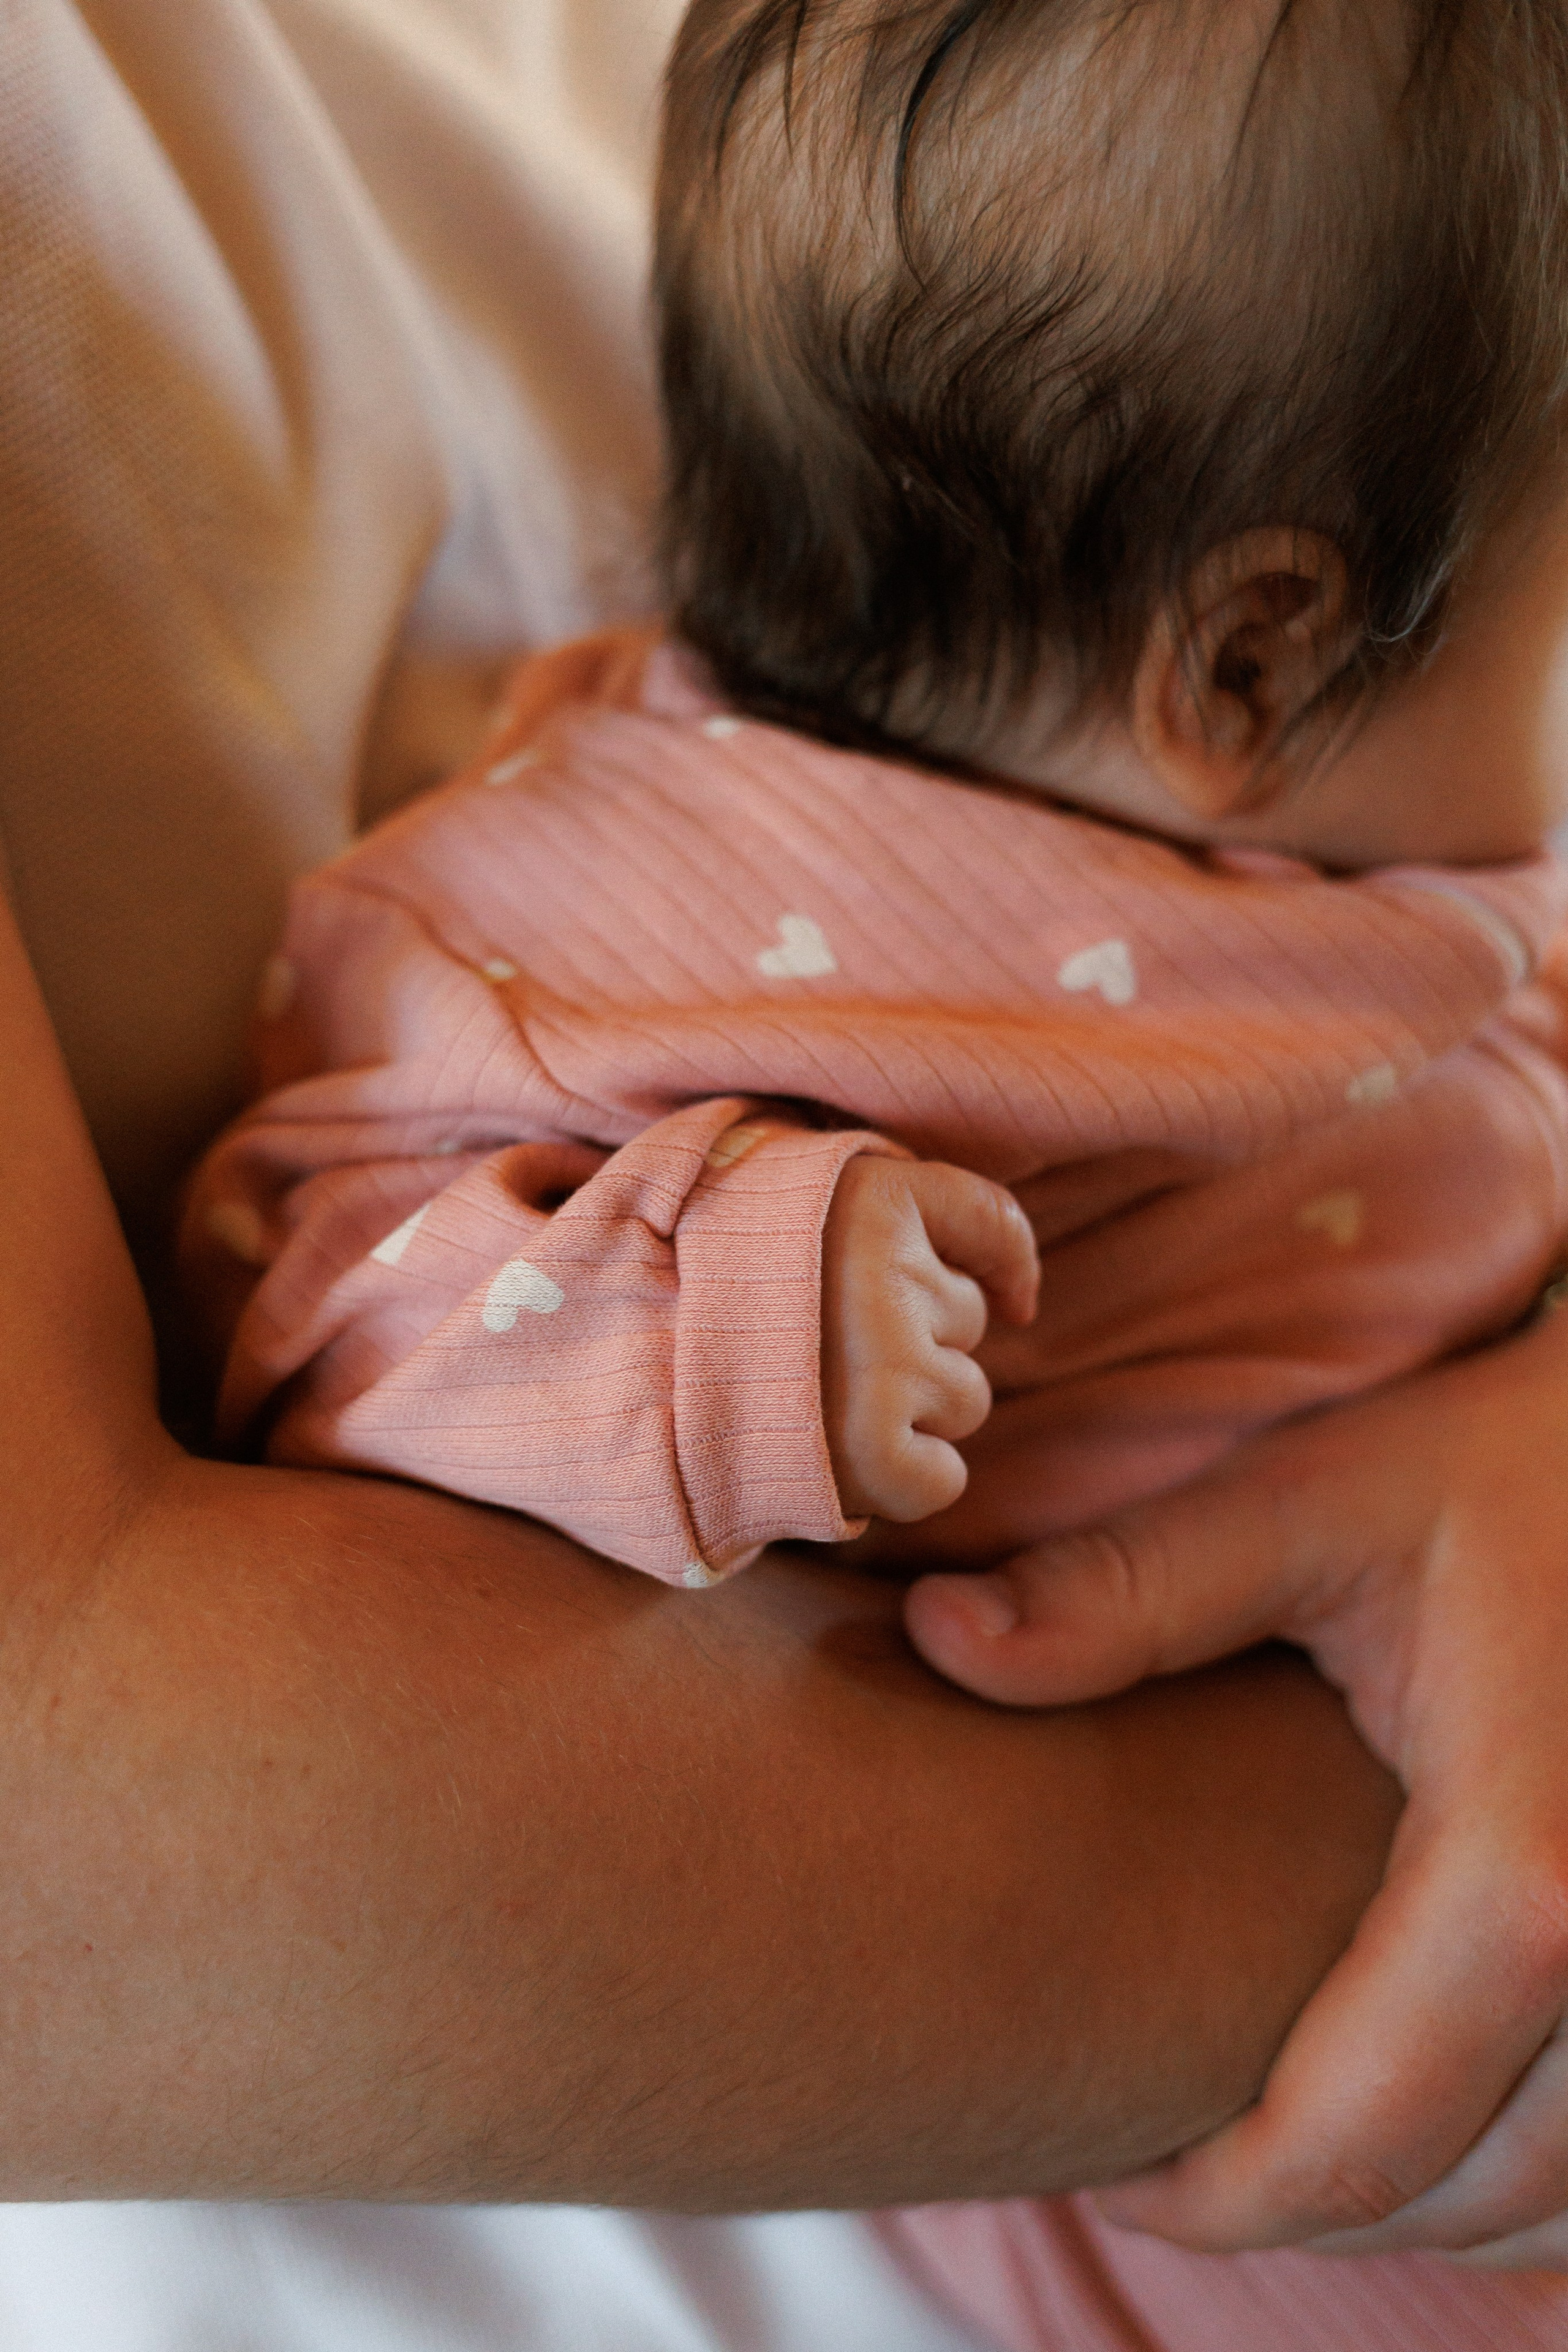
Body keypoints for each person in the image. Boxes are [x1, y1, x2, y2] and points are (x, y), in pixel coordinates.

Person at [0, 4, 1549, 2351]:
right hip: (1244, 2152)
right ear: (1246, 652)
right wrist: (730, 1311)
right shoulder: (655, 934)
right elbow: (317, 1299)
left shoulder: (1385, 818)